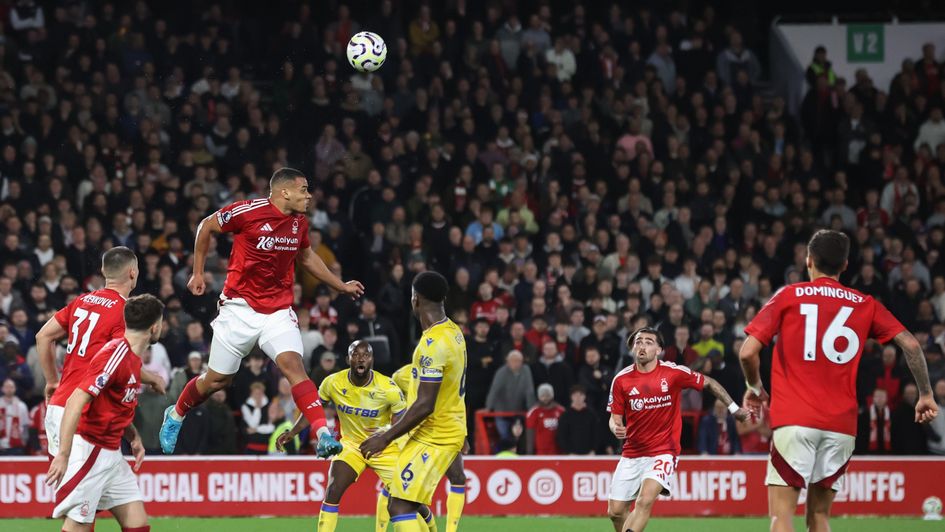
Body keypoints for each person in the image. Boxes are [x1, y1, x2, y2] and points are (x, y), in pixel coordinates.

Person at [739, 229, 939, 532]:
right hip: (841, 426)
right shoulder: (864, 303)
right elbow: (911, 345)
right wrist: (925, 394)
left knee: (781, 517)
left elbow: (747, 353)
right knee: (820, 517)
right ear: (845, 266)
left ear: (808, 260)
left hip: (795, 420)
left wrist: (755, 388)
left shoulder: (789, 296)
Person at [159, 168, 364, 457]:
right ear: (284, 192)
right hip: (238, 308)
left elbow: (306, 257)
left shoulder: (299, 223)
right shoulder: (248, 211)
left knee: (293, 366)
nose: (309, 196)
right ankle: (176, 414)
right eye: (304, 189)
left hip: (277, 311)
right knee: (217, 381)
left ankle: (322, 433)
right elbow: (206, 226)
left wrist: (339, 285)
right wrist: (198, 273)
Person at [277, 340, 434, 531]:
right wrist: (293, 432)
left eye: (366, 355)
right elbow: (313, 408)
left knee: (407, 497)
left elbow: (404, 421)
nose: (361, 359)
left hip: (384, 447)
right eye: (356, 354)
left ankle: (431, 524)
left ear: (372, 360)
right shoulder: (333, 382)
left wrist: (393, 442)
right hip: (351, 446)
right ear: (348, 359)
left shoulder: (388, 388)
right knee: (333, 489)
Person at [607, 327, 749, 532]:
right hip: (632, 453)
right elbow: (614, 419)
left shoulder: (673, 373)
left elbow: (709, 382)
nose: (642, 346)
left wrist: (734, 409)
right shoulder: (621, 380)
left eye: (648, 342)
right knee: (616, 512)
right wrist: (616, 429)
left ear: (658, 349)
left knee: (644, 501)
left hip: (664, 451)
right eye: (638, 342)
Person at [45, 294, 165, 532]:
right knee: (78, 525)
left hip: (111, 451)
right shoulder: (115, 354)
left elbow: (112, 405)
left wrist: (133, 437)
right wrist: (64, 455)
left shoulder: (130, 358)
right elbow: (75, 401)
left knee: (137, 523)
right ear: (155, 327)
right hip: (91, 450)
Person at [359, 271, 467, 532]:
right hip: (443, 428)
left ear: (415, 299)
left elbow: (425, 405)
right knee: (400, 498)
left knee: (400, 506)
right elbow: (449, 387)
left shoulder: (432, 345)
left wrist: (385, 437)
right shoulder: (454, 331)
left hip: (436, 434)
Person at [35, 247, 165, 458]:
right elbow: (123, 362)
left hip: (58, 407)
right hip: (84, 414)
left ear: (104, 271)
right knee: (76, 489)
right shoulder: (125, 312)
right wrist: (152, 378)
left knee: (81, 486)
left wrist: (52, 380)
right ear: (133, 272)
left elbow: (43, 336)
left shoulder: (82, 300)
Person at [391, 363, 468, 532]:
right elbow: (392, 403)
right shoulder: (401, 376)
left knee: (459, 477)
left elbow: (458, 403)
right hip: (419, 438)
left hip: (446, 432)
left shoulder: (449, 372)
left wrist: (464, 434)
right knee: (404, 496)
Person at [556, 385, 598, 455]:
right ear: (571, 397)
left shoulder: (591, 415)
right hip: (571, 455)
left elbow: (596, 434)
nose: (578, 398)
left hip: (589, 455)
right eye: (575, 395)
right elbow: (561, 436)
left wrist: (593, 450)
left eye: (580, 395)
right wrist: (569, 452)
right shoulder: (565, 415)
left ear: (584, 396)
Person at [525, 383, 564, 455]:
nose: (545, 398)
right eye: (543, 396)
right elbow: (530, 434)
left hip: (558, 453)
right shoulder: (533, 412)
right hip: (541, 453)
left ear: (552, 396)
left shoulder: (561, 411)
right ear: (539, 397)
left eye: (548, 395)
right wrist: (529, 453)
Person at [0, 378, 29, 455]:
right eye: (6, 387)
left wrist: (24, 441)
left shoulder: (21, 406)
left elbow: (25, 425)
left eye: (11, 387)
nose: (9, 389)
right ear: (2, 389)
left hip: (17, 445)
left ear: (15, 389)